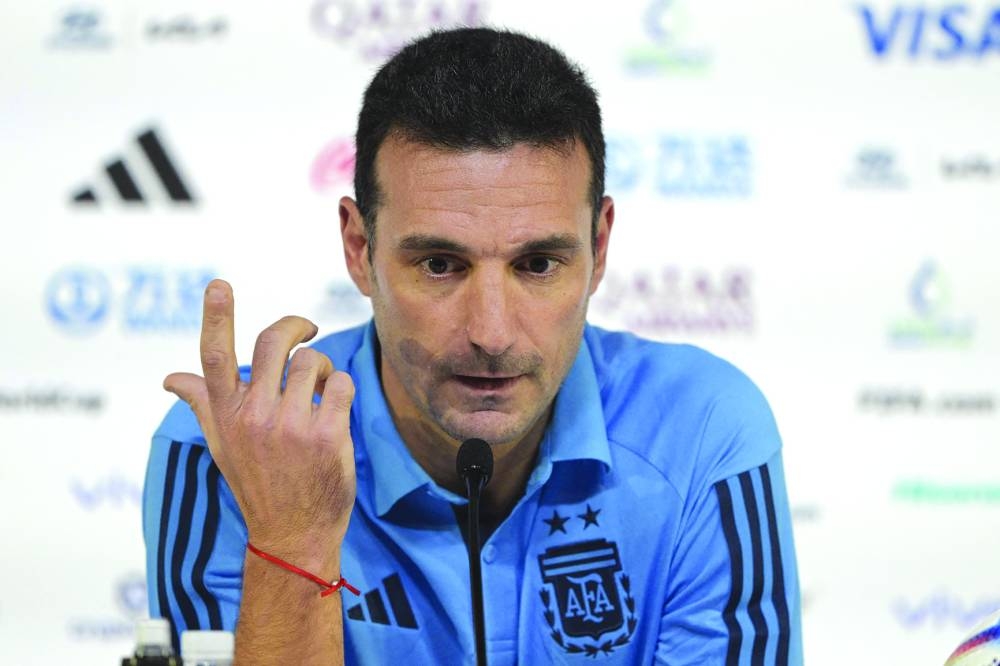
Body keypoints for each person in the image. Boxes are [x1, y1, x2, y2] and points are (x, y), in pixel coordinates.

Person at [143, 27, 803, 665]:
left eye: (539, 264)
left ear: (599, 249)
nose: (491, 333)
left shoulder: (700, 430)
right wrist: (294, 540)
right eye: (439, 264)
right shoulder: (237, 445)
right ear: (359, 249)